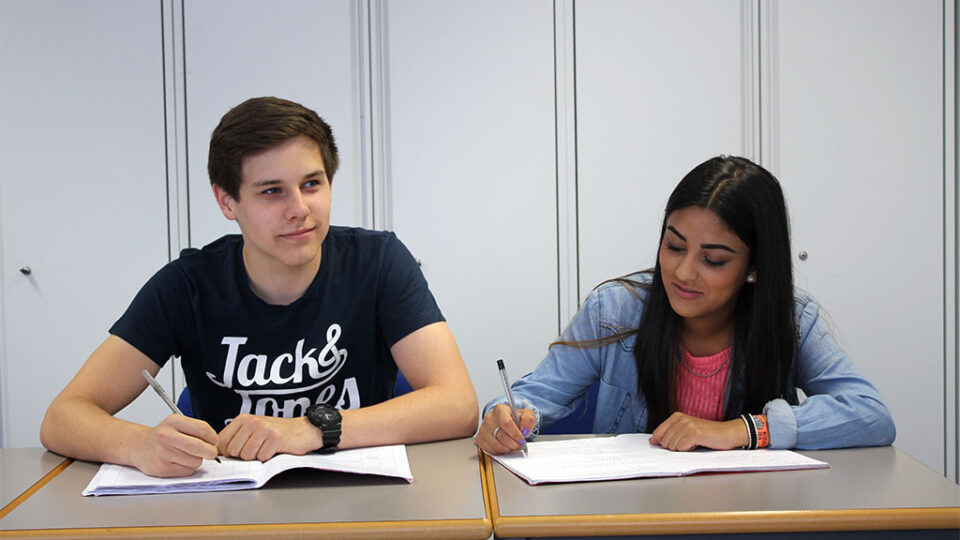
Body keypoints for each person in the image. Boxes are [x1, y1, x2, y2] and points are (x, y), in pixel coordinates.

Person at [41, 96, 478, 477]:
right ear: (227, 201)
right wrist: (136, 445)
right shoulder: (188, 285)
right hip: (236, 511)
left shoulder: (378, 262)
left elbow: (457, 404)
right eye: (272, 192)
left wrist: (310, 429)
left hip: (360, 498)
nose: (300, 209)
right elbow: (63, 417)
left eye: (312, 184)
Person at [477, 155, 894, 455]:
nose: (684, 272)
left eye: (713, 260)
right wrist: (507, 417)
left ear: (754, 267)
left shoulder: (791, 319)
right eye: (674, 246)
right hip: (633, 517)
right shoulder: (616, 310)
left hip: (751, 517)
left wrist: (743, 430)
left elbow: (871, 415)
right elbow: (533, 397)